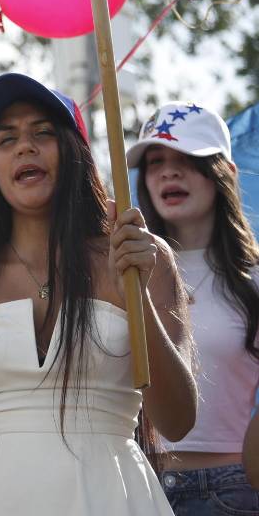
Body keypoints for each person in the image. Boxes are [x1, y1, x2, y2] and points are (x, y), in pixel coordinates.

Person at [0, 73, 197, 516]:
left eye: (43, 133)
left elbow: (178, 420)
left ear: (76, 153)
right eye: (6, 138)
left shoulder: (141, 255)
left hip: (113, 498)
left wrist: (136, 293)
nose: (24, 147)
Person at [128, 101, 259, 515]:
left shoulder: (253, 281)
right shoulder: (125, 272)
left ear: (225, 174)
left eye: (187, 159)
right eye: (155, 161)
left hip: (232, 491)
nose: (168, 171)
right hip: (135, 486)